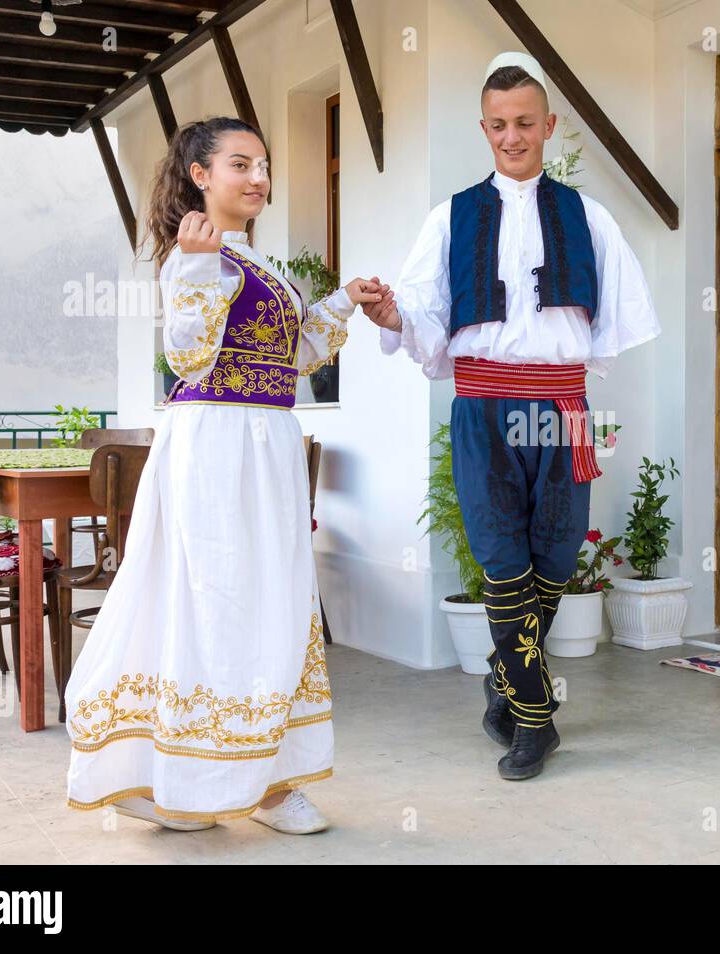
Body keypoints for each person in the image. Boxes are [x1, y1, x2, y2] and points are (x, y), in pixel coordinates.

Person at [63, 116, 382, 832]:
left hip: (266, 440)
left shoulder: (259, 263)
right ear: (200, 175)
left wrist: (342, 303)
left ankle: (268, 780)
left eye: (264, 165)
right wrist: (199, 265)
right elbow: (187, 357)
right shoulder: (193, 256)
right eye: (241, 164)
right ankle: (186, 777)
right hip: (214, 444)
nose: (259, 178)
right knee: (215, 596)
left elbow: (292, 359)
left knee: (272, 596)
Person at [365, 52, 660, 780]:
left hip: (562, 406)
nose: (512, 136)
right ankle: (536, 721)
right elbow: (423, 311)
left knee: (555, 559)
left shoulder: (588, 216)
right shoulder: (451, 216)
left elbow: (616, 322)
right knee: (503, 559)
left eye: (525, 122)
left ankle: (505, 685)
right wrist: (390, 312)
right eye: (498, 125)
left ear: (549, 125)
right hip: (483, 406)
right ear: (483, 128)